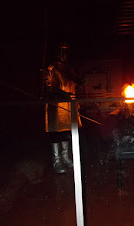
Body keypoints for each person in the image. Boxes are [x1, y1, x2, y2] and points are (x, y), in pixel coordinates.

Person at [43, 42, 81, 173]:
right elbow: (47, 86)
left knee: (66, 131)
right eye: (61, 52)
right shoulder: (51, 68)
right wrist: (61, 93)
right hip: (56, 105)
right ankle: (57, 160)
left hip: (68, 104)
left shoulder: (69, 68)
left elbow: (73, 82)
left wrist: (80, 82)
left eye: (65, 52)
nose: (63, 55)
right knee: (55, 132)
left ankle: (65, 157)